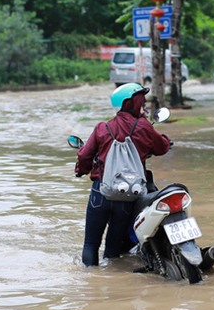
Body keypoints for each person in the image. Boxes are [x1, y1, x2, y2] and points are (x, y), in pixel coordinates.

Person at [74, 83, 172, 267]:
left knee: (90, 244)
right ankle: (112, 280)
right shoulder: (144, 127)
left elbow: (84, 155)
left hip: (101, 193)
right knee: (113, 249)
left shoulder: (102, 128)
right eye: (141, 103)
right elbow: (161, 147)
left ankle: (90, 285)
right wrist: (166, 140)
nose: (143, 107)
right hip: (129, 196)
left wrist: (81, 170)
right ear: (131, 104)